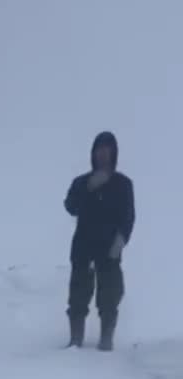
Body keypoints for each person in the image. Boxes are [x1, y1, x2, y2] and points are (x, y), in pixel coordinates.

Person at [64, 131, 135, 351]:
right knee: (78, 295)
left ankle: (106, 340)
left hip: (110, 249)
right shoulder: (82, 182)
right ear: (93, 154)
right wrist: (88, 188)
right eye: (99, 150)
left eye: (107, 150)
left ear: (113, 154)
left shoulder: (123, 184)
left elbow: (128, 216)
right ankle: (76, 339)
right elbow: (70, 207)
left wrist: (121, 241)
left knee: (110, 296)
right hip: (83, 247)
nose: (103, 154)